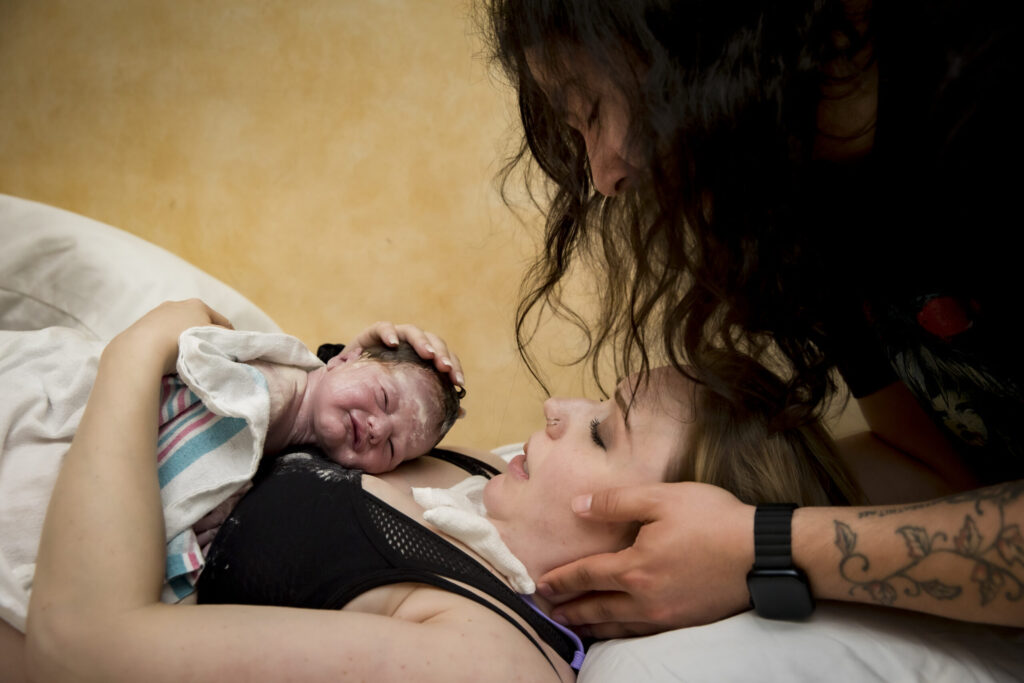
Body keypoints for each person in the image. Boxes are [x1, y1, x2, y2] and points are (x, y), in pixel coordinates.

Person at [481, 0, 1024, 634]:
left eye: (593, 109)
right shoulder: (815, 202)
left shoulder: (994, 109)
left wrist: (762, 546)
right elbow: (932, 469)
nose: (603, 176)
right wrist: (723, 513)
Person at [10, 299, 875, 683]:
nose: (557, 407)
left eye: (604, 430)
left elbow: (79, 646)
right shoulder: (491, 485)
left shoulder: (483, 657)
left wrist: (148, 338)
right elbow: (270, 425)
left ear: (658, 535)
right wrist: (357, 360)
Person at [0, 319, 463, 642]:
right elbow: (188, 352)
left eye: (392, 448)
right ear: (344, 358)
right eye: (383, 397)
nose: (378, 428)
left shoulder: (298, 468)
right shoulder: (262, 373)